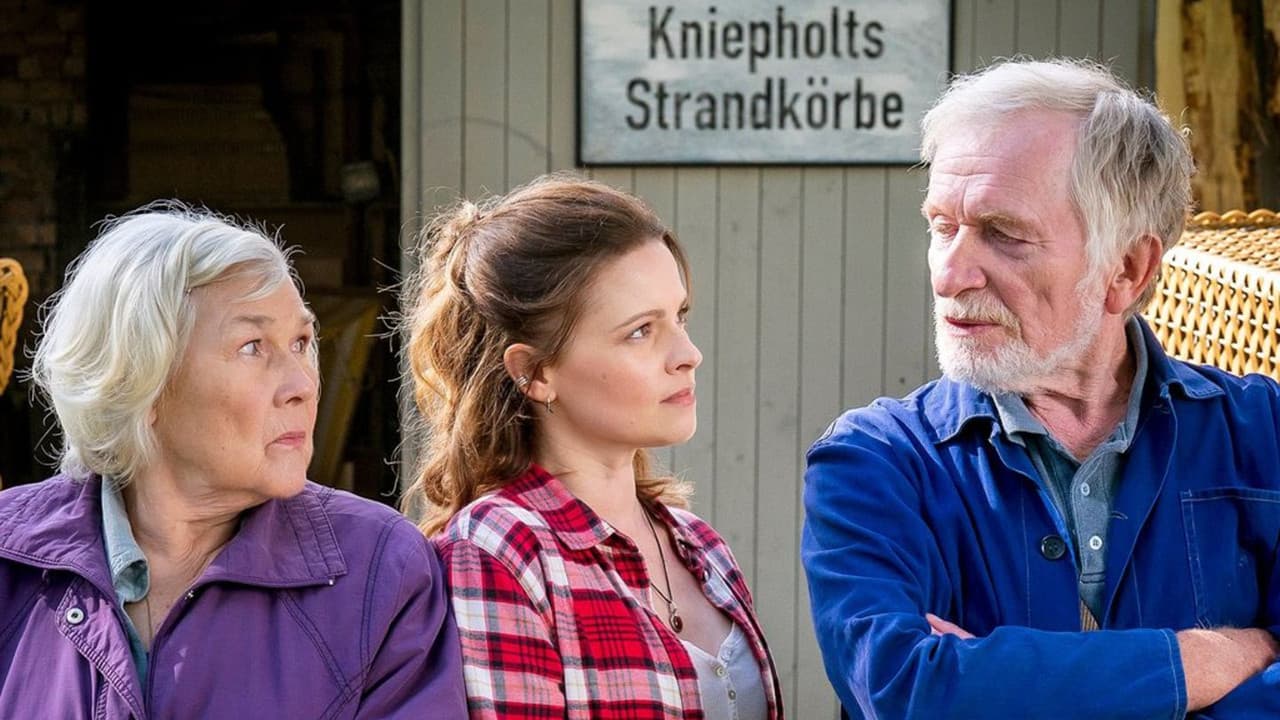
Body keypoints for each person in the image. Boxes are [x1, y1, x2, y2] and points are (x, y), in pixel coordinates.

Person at [802, 58, 1280, 719]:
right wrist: (1218, 657)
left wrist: (996, 681)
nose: (949, 275)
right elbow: (912, 693)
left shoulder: (1263, 433)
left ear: (1127, 269)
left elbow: (959, 698)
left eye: (1003, 234)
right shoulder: (875, 461)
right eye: (942, 226)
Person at [0, 203, 467, 718]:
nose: (303, 385)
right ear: (137, 382)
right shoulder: (8, 560)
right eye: (253, 347)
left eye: (301, 343)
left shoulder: (382, 571)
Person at [401, 174, 784, 719]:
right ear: (535, 372)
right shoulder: (498, 551)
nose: (688, 354)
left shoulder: (701, 546)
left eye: (679, 316)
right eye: (640, 331)